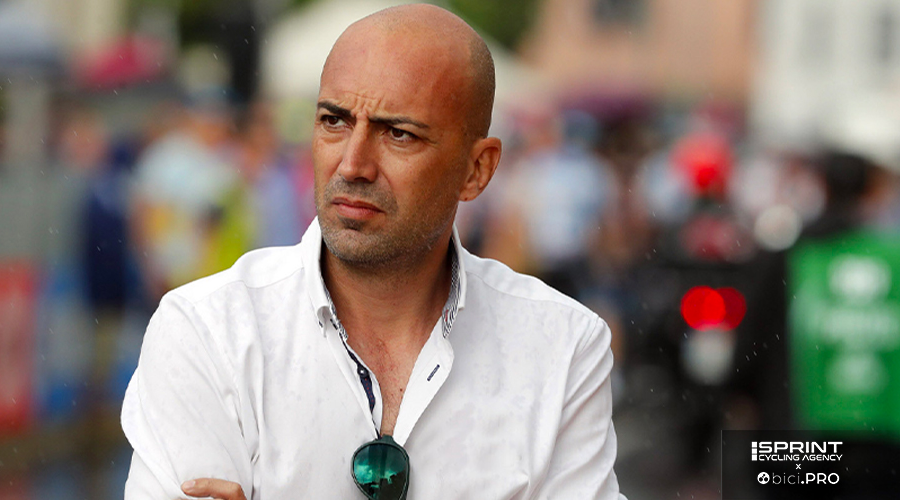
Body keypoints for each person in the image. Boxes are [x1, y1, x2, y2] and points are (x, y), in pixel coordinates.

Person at [121, 4, 625, 499]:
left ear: (477, 169)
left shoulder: (561, 347)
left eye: (399, 134)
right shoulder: (209, 330)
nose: (353, 164)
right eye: (334, 121)